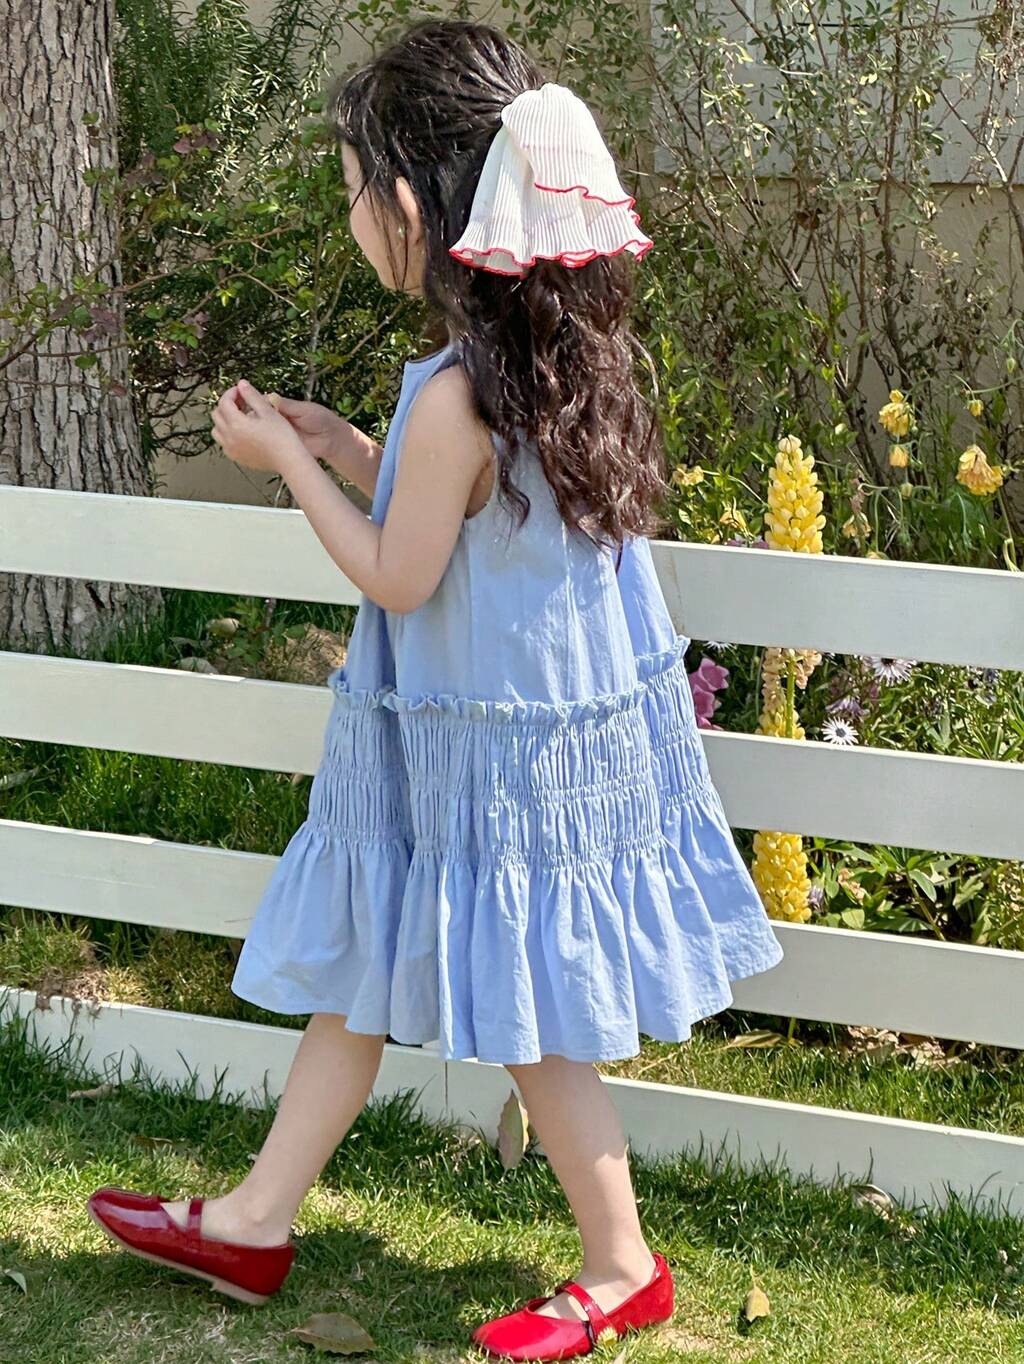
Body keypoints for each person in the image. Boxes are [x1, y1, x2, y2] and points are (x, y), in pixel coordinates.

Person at [86, 17, 784, 1360]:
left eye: (357, 185)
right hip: (496, 736)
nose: (351, 210)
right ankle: (254, 1221)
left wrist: (294, 470)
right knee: (368, 966)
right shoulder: (551, 362)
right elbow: (461, 518)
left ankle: (623, 1264)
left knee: (521, 1011)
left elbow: (398, 576)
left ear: (413, 206)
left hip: (481, 750)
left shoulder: (462, 394)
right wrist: (347, 443)